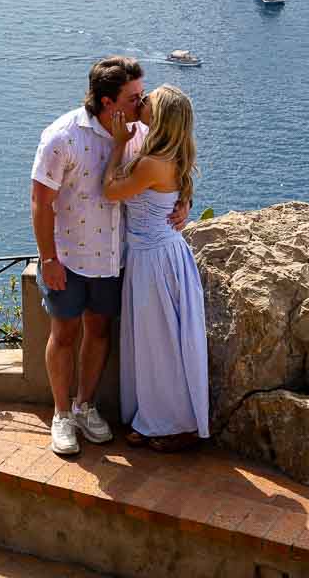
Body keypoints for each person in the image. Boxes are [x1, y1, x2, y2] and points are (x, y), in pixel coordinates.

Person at [30, 56, 188, 456]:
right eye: (135, 97)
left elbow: (173, 164)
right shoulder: (61, 137)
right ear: (107, 102)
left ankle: (86, 406)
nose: (143, 102)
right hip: (69, 258)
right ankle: (62, 415)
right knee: (64, 335)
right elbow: (39, 201)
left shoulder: (137, 135)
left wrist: (183, 199)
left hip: (116, 259)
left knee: (99, 333)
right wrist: (48, 259)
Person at [103, 83, 209, 451]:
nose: (143, 100)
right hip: (164, 255)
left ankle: (172, 424)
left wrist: (117, 144)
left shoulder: (150, 162)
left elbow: (111, 191)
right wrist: (185, 205)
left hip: (153, 261)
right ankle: (163, 420)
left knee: (159, 344)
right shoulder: (174, 155)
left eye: (150, 100)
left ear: (159, 117)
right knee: (163, 343)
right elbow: (176, 196)